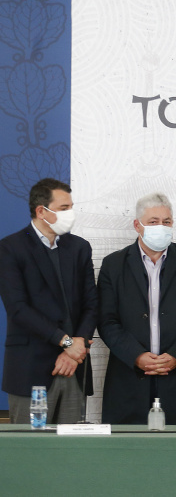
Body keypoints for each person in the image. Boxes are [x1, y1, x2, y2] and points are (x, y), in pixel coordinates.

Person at [98, 192, 176, 424]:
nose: (161, 227)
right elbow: (106, 320)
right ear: (137, 225)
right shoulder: (113, 264)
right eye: (153, 222)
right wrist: (136, 356)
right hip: (129, 379)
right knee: (130, 456)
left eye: (166, 222)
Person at [0, 178, 97, 424]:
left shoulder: (79, 248)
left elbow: (91, 303)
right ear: (41, 211)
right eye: (64, 208)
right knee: (31, 452)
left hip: (74, 367)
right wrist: (65, 341)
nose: (70, 214)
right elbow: (18, 309)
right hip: (31, 369)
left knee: (72, 454)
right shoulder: (10, 248)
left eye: (71, 207)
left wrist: (76, 347)